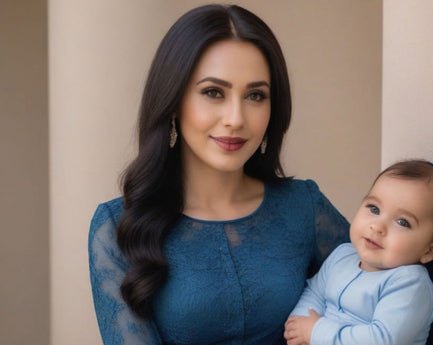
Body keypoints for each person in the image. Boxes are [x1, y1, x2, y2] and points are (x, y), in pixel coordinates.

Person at [88, 4, 349, 345]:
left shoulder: (305, 208)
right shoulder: (117, 227)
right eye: (213, 92)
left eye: (256, 95)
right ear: (173, 101)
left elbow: (389, 301)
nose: (235, 118)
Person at [284, 159, 433, 345]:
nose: (378, 226)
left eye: (402, 222)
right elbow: (314, 293)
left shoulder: (410, 284)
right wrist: (298, 326)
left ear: (430, 251)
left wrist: (317, 332)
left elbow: (382, 339)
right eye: (374, 209)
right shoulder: (342, 256)